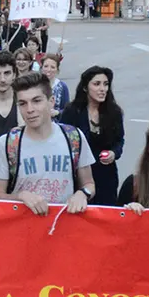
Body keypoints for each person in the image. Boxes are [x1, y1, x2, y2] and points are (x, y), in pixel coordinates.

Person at [0, 72, 97, 215]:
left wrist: (82, 194)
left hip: (63, 225)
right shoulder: (7, 143)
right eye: (22, 103)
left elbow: (89, 184)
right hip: (22, 228)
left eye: (36, 101)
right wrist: (21, 196)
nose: (30, 110)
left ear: (51, 101)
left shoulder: (73, 137)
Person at [59, 66, 125, 206]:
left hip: (106, 176)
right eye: (97, 84)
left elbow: (119, 141)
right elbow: (62, 142)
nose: (103, 89)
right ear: (85, 88)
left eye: (106, 84)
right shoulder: (72, 112)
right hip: (79, 177)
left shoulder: (114, 112)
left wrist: (113, 153)